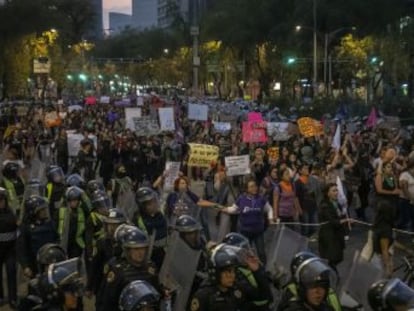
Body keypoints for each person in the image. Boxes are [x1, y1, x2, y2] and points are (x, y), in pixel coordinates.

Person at [96, 227, 161, 311]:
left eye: (143, 248)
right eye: (136, 249)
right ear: (128, 250)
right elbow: (107, 301)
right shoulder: (117, 271)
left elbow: (155, 295)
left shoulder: (150, 267)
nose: (140, 253)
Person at [221, 178, 273, 264]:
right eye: (251, 187)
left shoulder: (261, 199)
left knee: (261, 253)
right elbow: (233, 209)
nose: (254, 188)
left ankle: (263, 269)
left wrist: (270, 219)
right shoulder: (241, 199)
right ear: (247, 189)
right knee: (246, 254)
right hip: (245, 232)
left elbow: (269, 209)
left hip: (258, 232)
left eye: (255, 186)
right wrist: (222, 209)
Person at [222, 232, 272, 311]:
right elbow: (261, 295)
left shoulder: (247, 267)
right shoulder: (236, 273)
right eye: (244, 250)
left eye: (248, 248)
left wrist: (260, 270)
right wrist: (257, 271)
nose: (249, 252)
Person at [86, 208, 126, 298]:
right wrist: (89, 287)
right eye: (109, 225)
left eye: (115, 225)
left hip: (120, 284)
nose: (112, 228)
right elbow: (94, 266)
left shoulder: (127, 243)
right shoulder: (101, 242)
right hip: (103, 284)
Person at [18, 195, 59, 278]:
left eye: (45, 209)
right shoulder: (25, 228)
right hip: (35, 265)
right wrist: (26, 267)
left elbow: (57, 240)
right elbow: (21, 249)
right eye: (42, 210)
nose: (45, 212)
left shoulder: (49, 224)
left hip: (52, 262)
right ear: (33, 212)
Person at [318, 183, 351, 277]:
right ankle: (330, 276)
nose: (336, 193)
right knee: (331, 258)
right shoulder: (325, 205)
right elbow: (333, 221)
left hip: (337, 235)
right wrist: (344, 220)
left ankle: (329, 274)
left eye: (337, 190)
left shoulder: (336, 203)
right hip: (329, 237)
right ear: (327, 193)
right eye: (333, 190)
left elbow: (340, 215)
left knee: (339, 257)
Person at [134, 187, 168, 270]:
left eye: (155, 201)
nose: (155, 205)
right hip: (151, 256)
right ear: (142, 207)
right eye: (150, 204)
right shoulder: (140, 220)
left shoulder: (158, 215)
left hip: (165, 252)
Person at [57, 186, 89, 258]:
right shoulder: (62, 211)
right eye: (72, 200)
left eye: (76, 200)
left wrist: (84, 196)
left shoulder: (82, 211)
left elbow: (90, 208)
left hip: (77, 243)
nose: (74, 202)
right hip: (64, 241)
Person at [0, 187, 18, 309]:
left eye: (2, 200)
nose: (0, 203)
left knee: (11, 272)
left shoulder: (11, 212)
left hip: (11, 249)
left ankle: (13, 298)